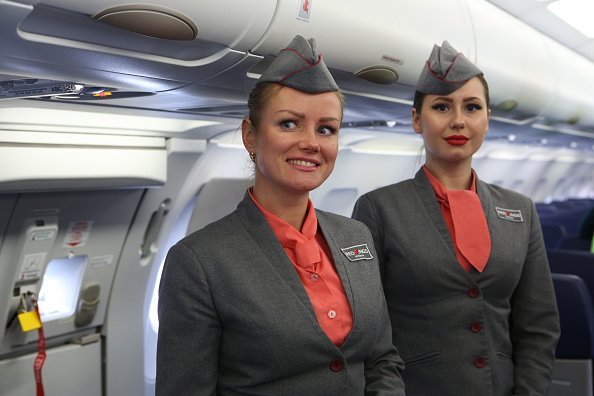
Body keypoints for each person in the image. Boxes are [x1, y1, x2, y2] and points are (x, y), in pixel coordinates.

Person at [156, 35, 405, 395]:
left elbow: (382, 360)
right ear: (251, 136)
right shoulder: (198, 263)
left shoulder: (356, 237)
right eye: (289, 123)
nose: (311, 142)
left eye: (326, 129)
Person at [352, 40, 560, 396]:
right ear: (417, 120)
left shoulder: (520, 210)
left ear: (488, 119)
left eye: (472, 107)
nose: (459, 120)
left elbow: (538, 326)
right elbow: (370, 330)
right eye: (442, 107)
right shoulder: (379, 209)